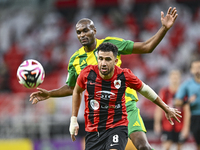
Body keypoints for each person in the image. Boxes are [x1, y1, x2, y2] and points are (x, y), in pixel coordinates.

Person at [29, 7, 178, 150]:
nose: (82, 34)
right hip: (100, 116)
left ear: (94, 31)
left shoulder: (110, 44)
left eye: (86, 30)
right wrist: (49, 94)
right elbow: (72, 88)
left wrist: (164, 28)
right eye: (79, 32)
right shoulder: (75, 59)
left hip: (125, 105)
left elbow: (146, 47)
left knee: (143, 146)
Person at [69, 42, 181, 150]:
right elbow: (77, 91)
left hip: (117, 126)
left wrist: (165, 107)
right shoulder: (87, 73)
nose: (103, 63)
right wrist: (73, 119)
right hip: (94, 130)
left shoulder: (124, 75)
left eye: (108, 59)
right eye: (101, 58)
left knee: (143, 146)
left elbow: (145, 90)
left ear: (115, 61)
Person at [154, 70, 190, 150]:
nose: (175, 80)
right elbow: (159, 109)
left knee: (179, 147)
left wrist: (186, 127)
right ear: (169, 78)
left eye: (176, 78)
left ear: (180, 79)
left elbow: (187, 111)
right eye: (173, 78)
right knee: (166, 146)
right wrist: (157, 123)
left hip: (180, 125)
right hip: (167, 125)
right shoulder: (164, 92)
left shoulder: (184, 92)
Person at [175, 58, 200, 150]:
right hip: (195, 117)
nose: (198, 69)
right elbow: (177, 101)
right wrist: (188, 101)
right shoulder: (187, 85)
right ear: (191, 70)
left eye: (199, 67)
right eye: (196, 67)